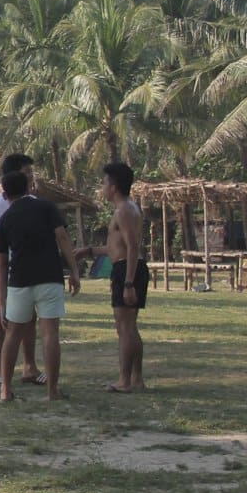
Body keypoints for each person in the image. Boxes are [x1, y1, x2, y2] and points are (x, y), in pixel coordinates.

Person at [0, 169, 81, 401]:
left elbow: (1, 265)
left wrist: (2, 301)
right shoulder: (46, 207)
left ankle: (5, 390)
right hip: (49, 277)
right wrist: (73, 269)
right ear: (30, 187)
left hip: (19, 281)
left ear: (4, 194)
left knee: (12, 334)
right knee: (50, 332)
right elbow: (62, 237)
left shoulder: (4, 221)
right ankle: (52, 390)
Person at [0, 154, 42, 386]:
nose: (31, 177)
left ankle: (29, 366)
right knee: (0, 319)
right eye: (28, 172)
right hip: (0, 268)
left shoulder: (33, 201)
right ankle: (1, 371)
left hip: (24, 267)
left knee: (29, 318)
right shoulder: (0, 203)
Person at [97, 161, 148, 393]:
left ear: (114, 186)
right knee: (129, 326)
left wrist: (128, 281)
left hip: (128, 269)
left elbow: (132, 246)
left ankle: (125, 380)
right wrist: (89, 251)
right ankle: (136, 378)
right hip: (127, 267)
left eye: (104, 182)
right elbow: (115, 247)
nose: (102, 187)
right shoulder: (128, 208)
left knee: (125, 327)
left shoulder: (124, 210)